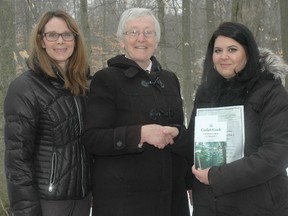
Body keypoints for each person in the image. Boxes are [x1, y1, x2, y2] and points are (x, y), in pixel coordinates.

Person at [82, 7, 190, 216]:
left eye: (148, 32)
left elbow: (180, 129)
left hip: (171, 199)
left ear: (156, 40)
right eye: (133, 32)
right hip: (125, 201)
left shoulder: (169, 79)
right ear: (122, 40)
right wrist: (140, 134)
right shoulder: (106, 79)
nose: (141, 38)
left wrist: (177, 133)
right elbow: (92, 138)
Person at [186, 21, 288, 215]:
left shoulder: (271, 91)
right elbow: (194, 143)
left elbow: (277, 153)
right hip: (210, 205)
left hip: (259, 204)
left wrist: (217, 177)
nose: (223, 57)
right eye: (217, 50)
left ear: (248, 52)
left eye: (232, 49)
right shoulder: (205, 93)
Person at [4, 10, 92, 216]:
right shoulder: (25, 88)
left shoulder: (85, 85)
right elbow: (17, 161)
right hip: (48, 203)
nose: (60, 41)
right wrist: (27, 211)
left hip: (82, 199)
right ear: (42, 41)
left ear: (75, 40)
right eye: (52, 35)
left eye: (67, 35)